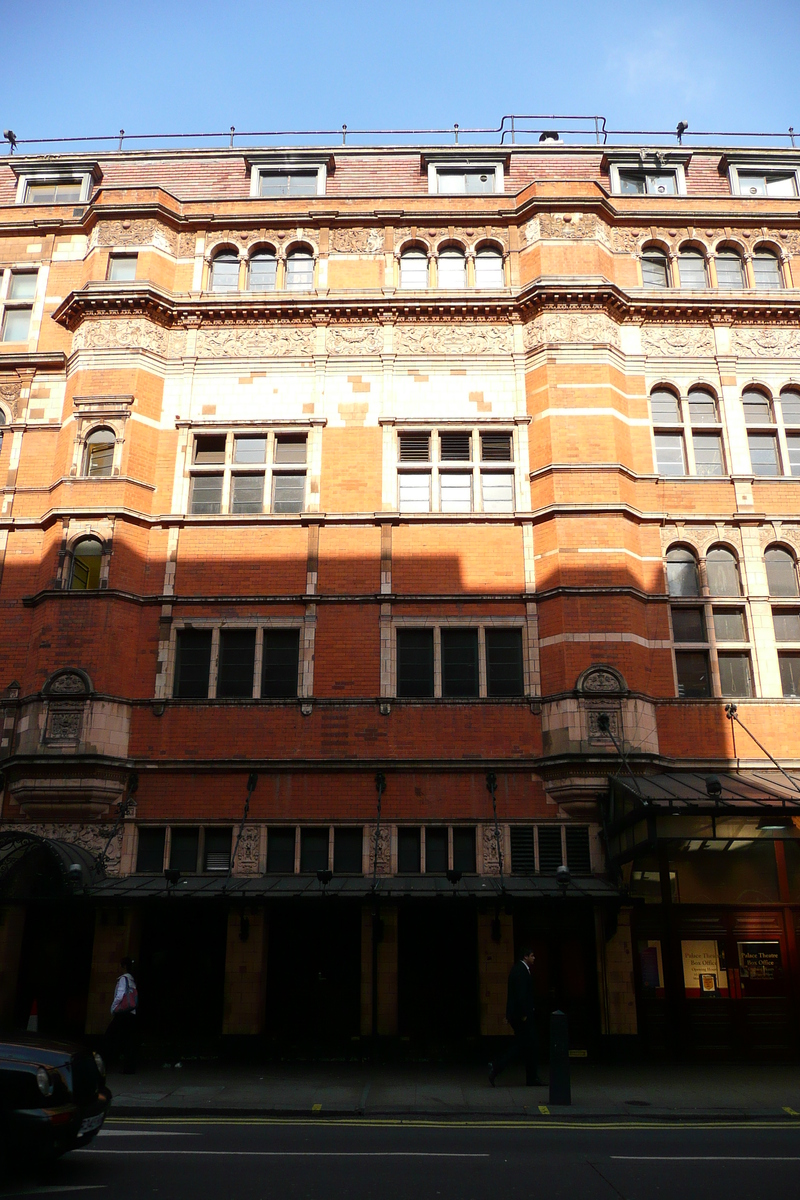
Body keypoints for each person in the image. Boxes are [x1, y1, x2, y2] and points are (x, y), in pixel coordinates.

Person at [488, 946, 543, 1086]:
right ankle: (496, 1066)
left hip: (520, 1015)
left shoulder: (520, 970)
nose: (534, 958)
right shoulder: (520, 971)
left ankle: (531, 1078)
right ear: (525, 956)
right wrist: (524, 1014)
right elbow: (521, 995)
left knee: (529, 1045)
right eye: (532, 955)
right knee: (524, 1044)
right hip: (521, 1016)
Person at [106, 956, 139, 1074]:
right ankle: (129, 1067)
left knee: (110, 1036)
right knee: (129, 1041)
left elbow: (120, 996)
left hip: (123, 1014)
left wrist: (113, 1008)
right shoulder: (132, 979)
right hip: (131, 1013)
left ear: (123, 966)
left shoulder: (123, 979)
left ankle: (105, 1062)